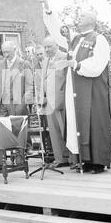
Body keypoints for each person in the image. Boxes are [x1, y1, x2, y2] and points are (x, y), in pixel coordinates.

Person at [66, 10, 111, 174]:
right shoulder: (76, 39)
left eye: (82, 16)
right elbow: (59, 33)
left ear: (92, 20)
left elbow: (98, 64)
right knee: (82, 122)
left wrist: (78, 66)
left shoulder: (99, 39)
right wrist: (49, 12)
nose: (78, 18)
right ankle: (86, 159)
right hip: (79, 88)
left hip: (94, 88)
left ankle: (99, 161)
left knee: (95, 122)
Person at [38, 36, 70, 167]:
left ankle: (71, 158)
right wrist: (42, 97)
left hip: (61, 100)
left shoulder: (64, 57)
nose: (47, 49)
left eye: (49, 46)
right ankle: (60, 159)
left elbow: (68, 80)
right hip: (48, 102)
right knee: (54, 132)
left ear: (56, 45)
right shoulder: (45, 61)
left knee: (65, 130)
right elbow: (43, 81)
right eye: (45, 47)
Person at [0, 40, 33, 117]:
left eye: (8, 52)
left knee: (16, 128)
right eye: (4, 52)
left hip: (18, 106)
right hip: (1, 107)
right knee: (1, 128)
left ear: (15, 50)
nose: (6, 55)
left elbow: (29, 87)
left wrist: (22, 105)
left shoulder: (24, 64)